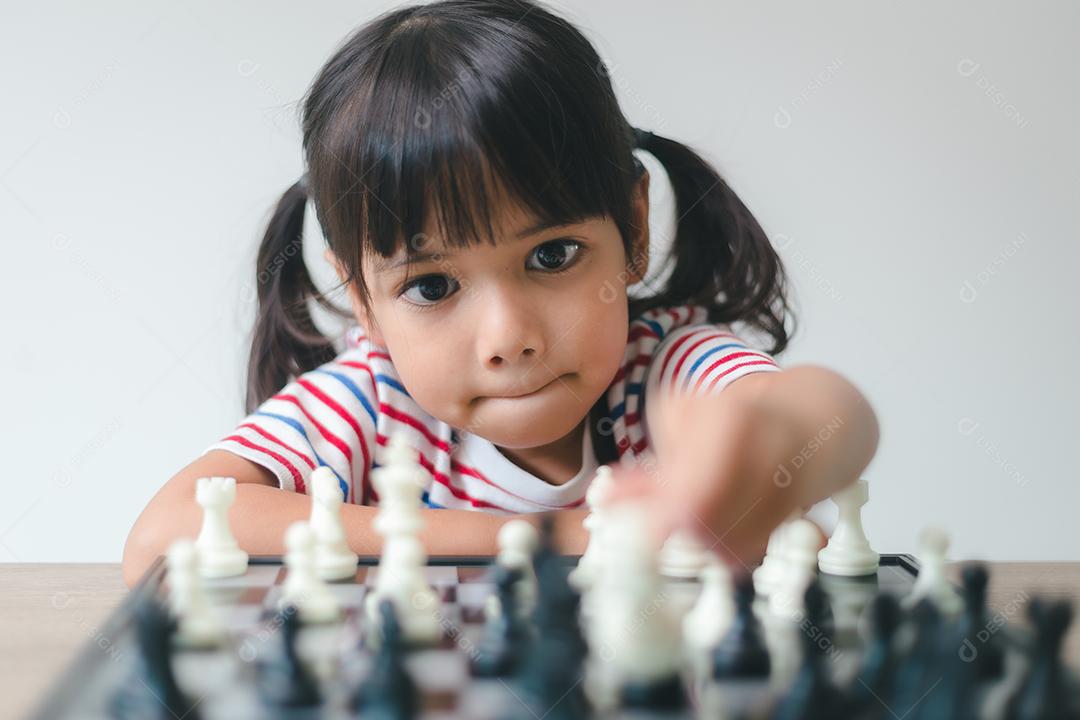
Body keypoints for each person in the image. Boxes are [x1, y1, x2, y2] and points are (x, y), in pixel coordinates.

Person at [122, 0, 878, 588]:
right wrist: (569, 540)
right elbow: (165, 534)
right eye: (433, 285)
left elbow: (830, 418)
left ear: (635, 226)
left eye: (553, 255)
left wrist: (762, 452)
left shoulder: (662, 371)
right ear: (362, 299)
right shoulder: (371, 407)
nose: (509, 335)